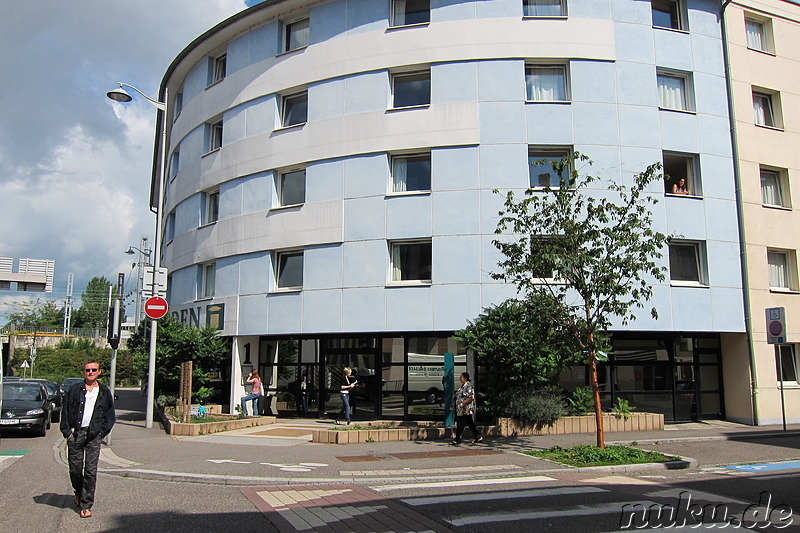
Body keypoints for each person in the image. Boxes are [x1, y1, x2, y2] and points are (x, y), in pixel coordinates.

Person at [60, 359, 116, 518]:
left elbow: (110, 416)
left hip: (94, 435)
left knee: (90, 471)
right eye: (87, 370)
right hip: (76, 434)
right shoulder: (74, 390)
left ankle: (86, 504)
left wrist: (101, 433)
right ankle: (78, 491)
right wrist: (67, 433)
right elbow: (64, 412)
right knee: (75, 469)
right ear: (84, 372)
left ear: (99, 372)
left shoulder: (104, 392)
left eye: (93, 370)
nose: (90, 373)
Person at [450, 372, 482, 445]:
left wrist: (463, 403)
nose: (460, 379)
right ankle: (478, 436)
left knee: (460, 423)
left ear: (465, 378)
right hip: (462, 409)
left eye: (461, 377)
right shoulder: (462, 386)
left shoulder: (468, 386)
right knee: (469, 423)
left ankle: (457, 439)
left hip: (466, 409)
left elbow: (471, 397)